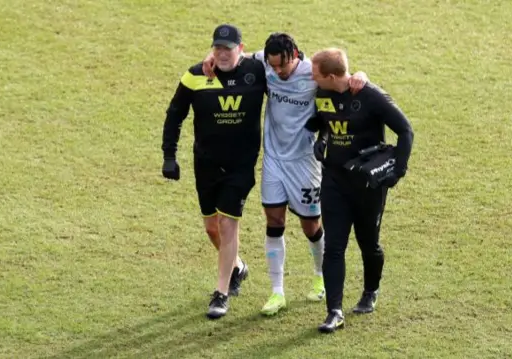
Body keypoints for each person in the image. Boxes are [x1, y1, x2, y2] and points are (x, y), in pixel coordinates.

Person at [202, 33, 368, 316]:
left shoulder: (311, 72)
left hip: (303, 162)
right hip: (274, 160)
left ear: (294, 55)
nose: (277, 72)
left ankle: (320, 277)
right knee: (274, 219)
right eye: (273, 66)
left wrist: (360, 75)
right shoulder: (265, 63)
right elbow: (234, 57)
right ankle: (277, 292)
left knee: (310, 225)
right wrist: (210, 58)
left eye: (282, 66)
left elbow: (342, 76)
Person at [161, 24, 267, 319]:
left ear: (241, 49)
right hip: (205, 164)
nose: (222, 54)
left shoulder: (257, 73)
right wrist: (169, 155)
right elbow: (174, 114)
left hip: (240, 166)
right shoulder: (196, 75)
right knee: (211, 228)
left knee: (225, 223)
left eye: (228, 49)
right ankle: (238, 267)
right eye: (217, 48)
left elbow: (295, 61)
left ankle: (221, 294)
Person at [304, 48, 414, 333]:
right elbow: (328, 121)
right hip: (334, 182)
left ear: (330, 76)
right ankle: (335, 311)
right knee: (334, 247)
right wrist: (322, 136)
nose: (311, 78)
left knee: (369, 244)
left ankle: (370, 291)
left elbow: (405, 130)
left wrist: (397, 171)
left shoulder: (370, 96)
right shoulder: (322, 94)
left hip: (367, 185)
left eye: (316, 74)